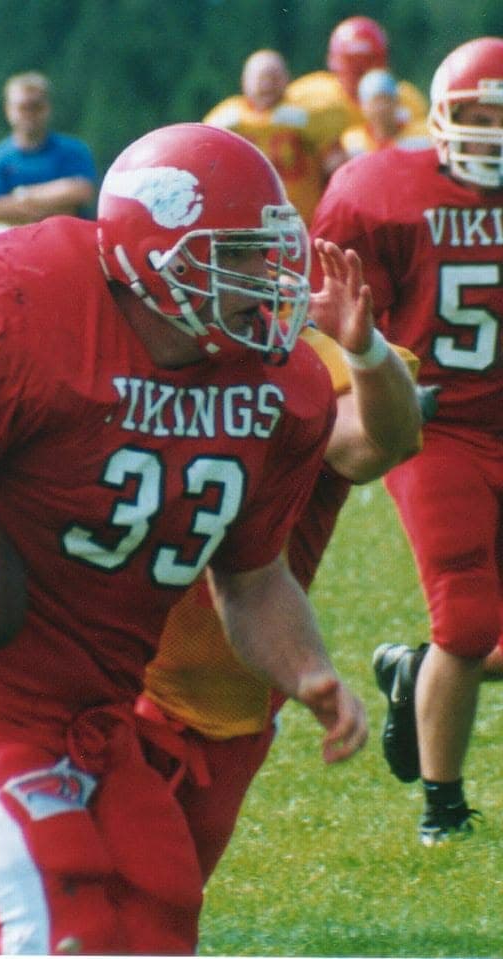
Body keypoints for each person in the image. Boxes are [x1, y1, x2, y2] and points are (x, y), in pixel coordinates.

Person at [0, 123, 368, 955]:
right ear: (156, 256)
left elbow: (250, 580)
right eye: (242, 254)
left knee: (159, 926)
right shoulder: (21, 306)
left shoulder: (278, 386)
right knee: (54, 931)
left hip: (101, 727)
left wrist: (309, 670)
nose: (271, 278)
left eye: (269, 251)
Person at [143, 255, 422, 882]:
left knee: (168, 901)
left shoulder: (307, 357)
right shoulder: (130, 341)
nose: (244, 275)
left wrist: (366, 351)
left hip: (243, 677)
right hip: (110, 668)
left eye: (253, 252)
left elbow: (375, 444)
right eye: (228, 252)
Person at [310, 36, 503, 847]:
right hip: (438, 424)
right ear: (439, 119)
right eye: (477, 116)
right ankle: (443, 807)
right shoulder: (380, 189)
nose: (492, 134)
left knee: (476, 636)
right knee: (466, 618)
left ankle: (410, 672)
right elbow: (336, 322)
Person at [203, 49, 336, 224]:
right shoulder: (225, 118)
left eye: (274, 77)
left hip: (302, 222)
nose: (267, 85)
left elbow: (336, 165)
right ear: (245, 81)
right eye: (261, 78)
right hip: (248, 223)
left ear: (287, 78)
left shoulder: (308, 113)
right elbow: (203, 165)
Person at [286, 15, 428, 174]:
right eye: (351, 64)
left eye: (368, 62)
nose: (360, 72)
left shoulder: (407, 98)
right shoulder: (311, 93)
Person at [0, 70, 97, 236]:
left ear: (47, 108)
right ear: (9, 110)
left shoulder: (73, 150)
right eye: (23, 107)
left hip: (69, 242)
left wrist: (22, 195)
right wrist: (57, 205)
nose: (30, 114)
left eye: (36, 106)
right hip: (15, 247)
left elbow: (82, 192)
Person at [340, 69, 431, 159]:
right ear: (363, 106)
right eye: (375, 102)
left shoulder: (423, 134)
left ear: (397, 102)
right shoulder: (351, 142)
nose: (381, 108)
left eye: (386, 101)